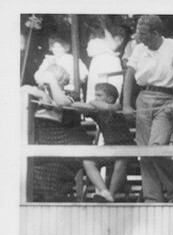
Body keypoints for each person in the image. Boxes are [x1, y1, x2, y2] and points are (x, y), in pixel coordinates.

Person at [122, 15, 173, 203]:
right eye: (138, 33)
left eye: (143, 34)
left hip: (166, 99)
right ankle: (152, 198)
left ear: (156, 33)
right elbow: (129, 75)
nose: (139, 37)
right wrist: (126, 104)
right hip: (143, 98)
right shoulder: (138, 48)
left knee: (157, 148)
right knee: (144, 151)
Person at [24, 65, 110, 203]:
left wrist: (52, 83)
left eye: (57, 81)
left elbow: (61, 102)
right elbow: (22, 89)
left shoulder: (70, 95)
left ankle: (104, 191)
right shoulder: (37, 92)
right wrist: (42, 94)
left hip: (61, 135)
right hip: (43, 135)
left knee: (84, 160)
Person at [69, 81, 132, 201]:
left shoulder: (118, 108)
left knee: (120, 162)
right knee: (88, 161)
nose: (95, 98)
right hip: (108, 149)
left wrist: (93, 103)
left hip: (126, 148)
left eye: (99, 95)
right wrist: (92, 103)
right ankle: (104, 191)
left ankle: (111, 195)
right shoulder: (97, 111)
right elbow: (77, 105)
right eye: (95, 95)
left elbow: (110, 107)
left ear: (110, 98)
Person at [84, 23, 125, 102]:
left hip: (111, 64)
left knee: (111, 90)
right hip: (98, 65)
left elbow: (114, 46)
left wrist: (105, 28)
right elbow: (90, 51)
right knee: (95, 90)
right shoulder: (93, 41)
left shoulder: (114, 36)